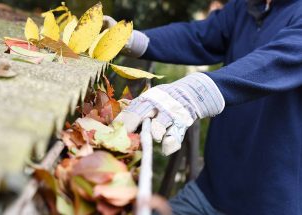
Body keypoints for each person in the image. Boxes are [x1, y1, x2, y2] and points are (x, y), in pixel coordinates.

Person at [104, 0, 302, 214]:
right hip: (209, 192)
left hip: (272, 204)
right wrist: (134, 40)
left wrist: (195, 93)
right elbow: (199, 36)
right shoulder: (247, 7)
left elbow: (278, 60)